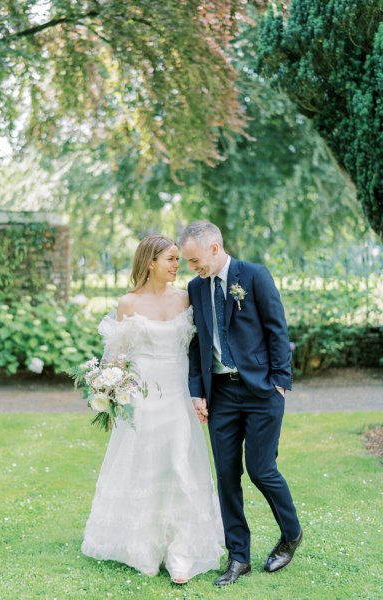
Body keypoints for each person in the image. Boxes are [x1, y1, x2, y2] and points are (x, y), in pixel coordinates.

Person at [81, 234, 224, 584]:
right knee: (143, 467)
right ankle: (142, 548)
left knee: (179, 467)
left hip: (177, 393)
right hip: (142, 397)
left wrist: (200, 393)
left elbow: (199, 351)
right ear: (151, 262)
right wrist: (110, 387)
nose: (178, 266)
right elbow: (116, 357)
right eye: (172, 259)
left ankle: (181, 553)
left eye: (179, 259)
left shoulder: (187, 299)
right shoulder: (128, 303)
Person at [180, 220, 302, 587]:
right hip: (222, 394)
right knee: (227, 475)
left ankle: (291, 533)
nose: (192, 267)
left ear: (215, 248)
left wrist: (279, 383)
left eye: (195, 259)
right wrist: (197, 390)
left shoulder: (254, 276)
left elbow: (277, 330)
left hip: (262, 390)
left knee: (261, 469)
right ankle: (238, 557)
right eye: (187, 262)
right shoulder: (196, 288)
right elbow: (196, 343)